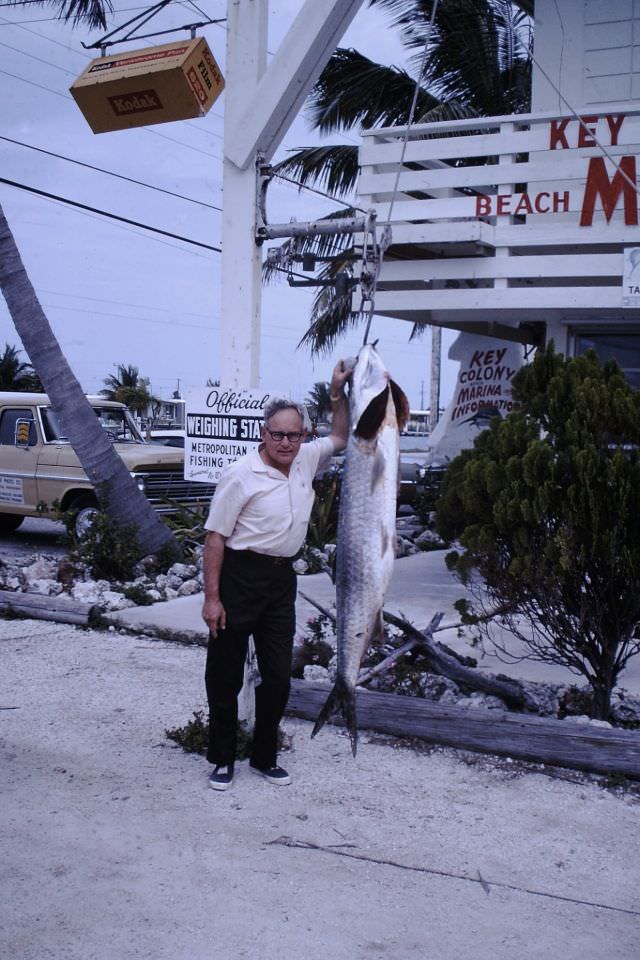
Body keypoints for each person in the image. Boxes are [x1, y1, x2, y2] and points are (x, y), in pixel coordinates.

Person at [202, 361, 351, 791]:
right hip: (239, 576)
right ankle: (222, 757)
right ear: (263, 434)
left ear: (303, 435)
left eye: (295, 434)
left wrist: (337, 395)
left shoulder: (306, 459)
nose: (287, 442)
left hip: (281, 580)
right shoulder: (240, 474)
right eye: (278, 434)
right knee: (225, 674)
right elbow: (214, 538)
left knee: (279, 676)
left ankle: (264, 757)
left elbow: (340, 437)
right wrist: (212, 598)